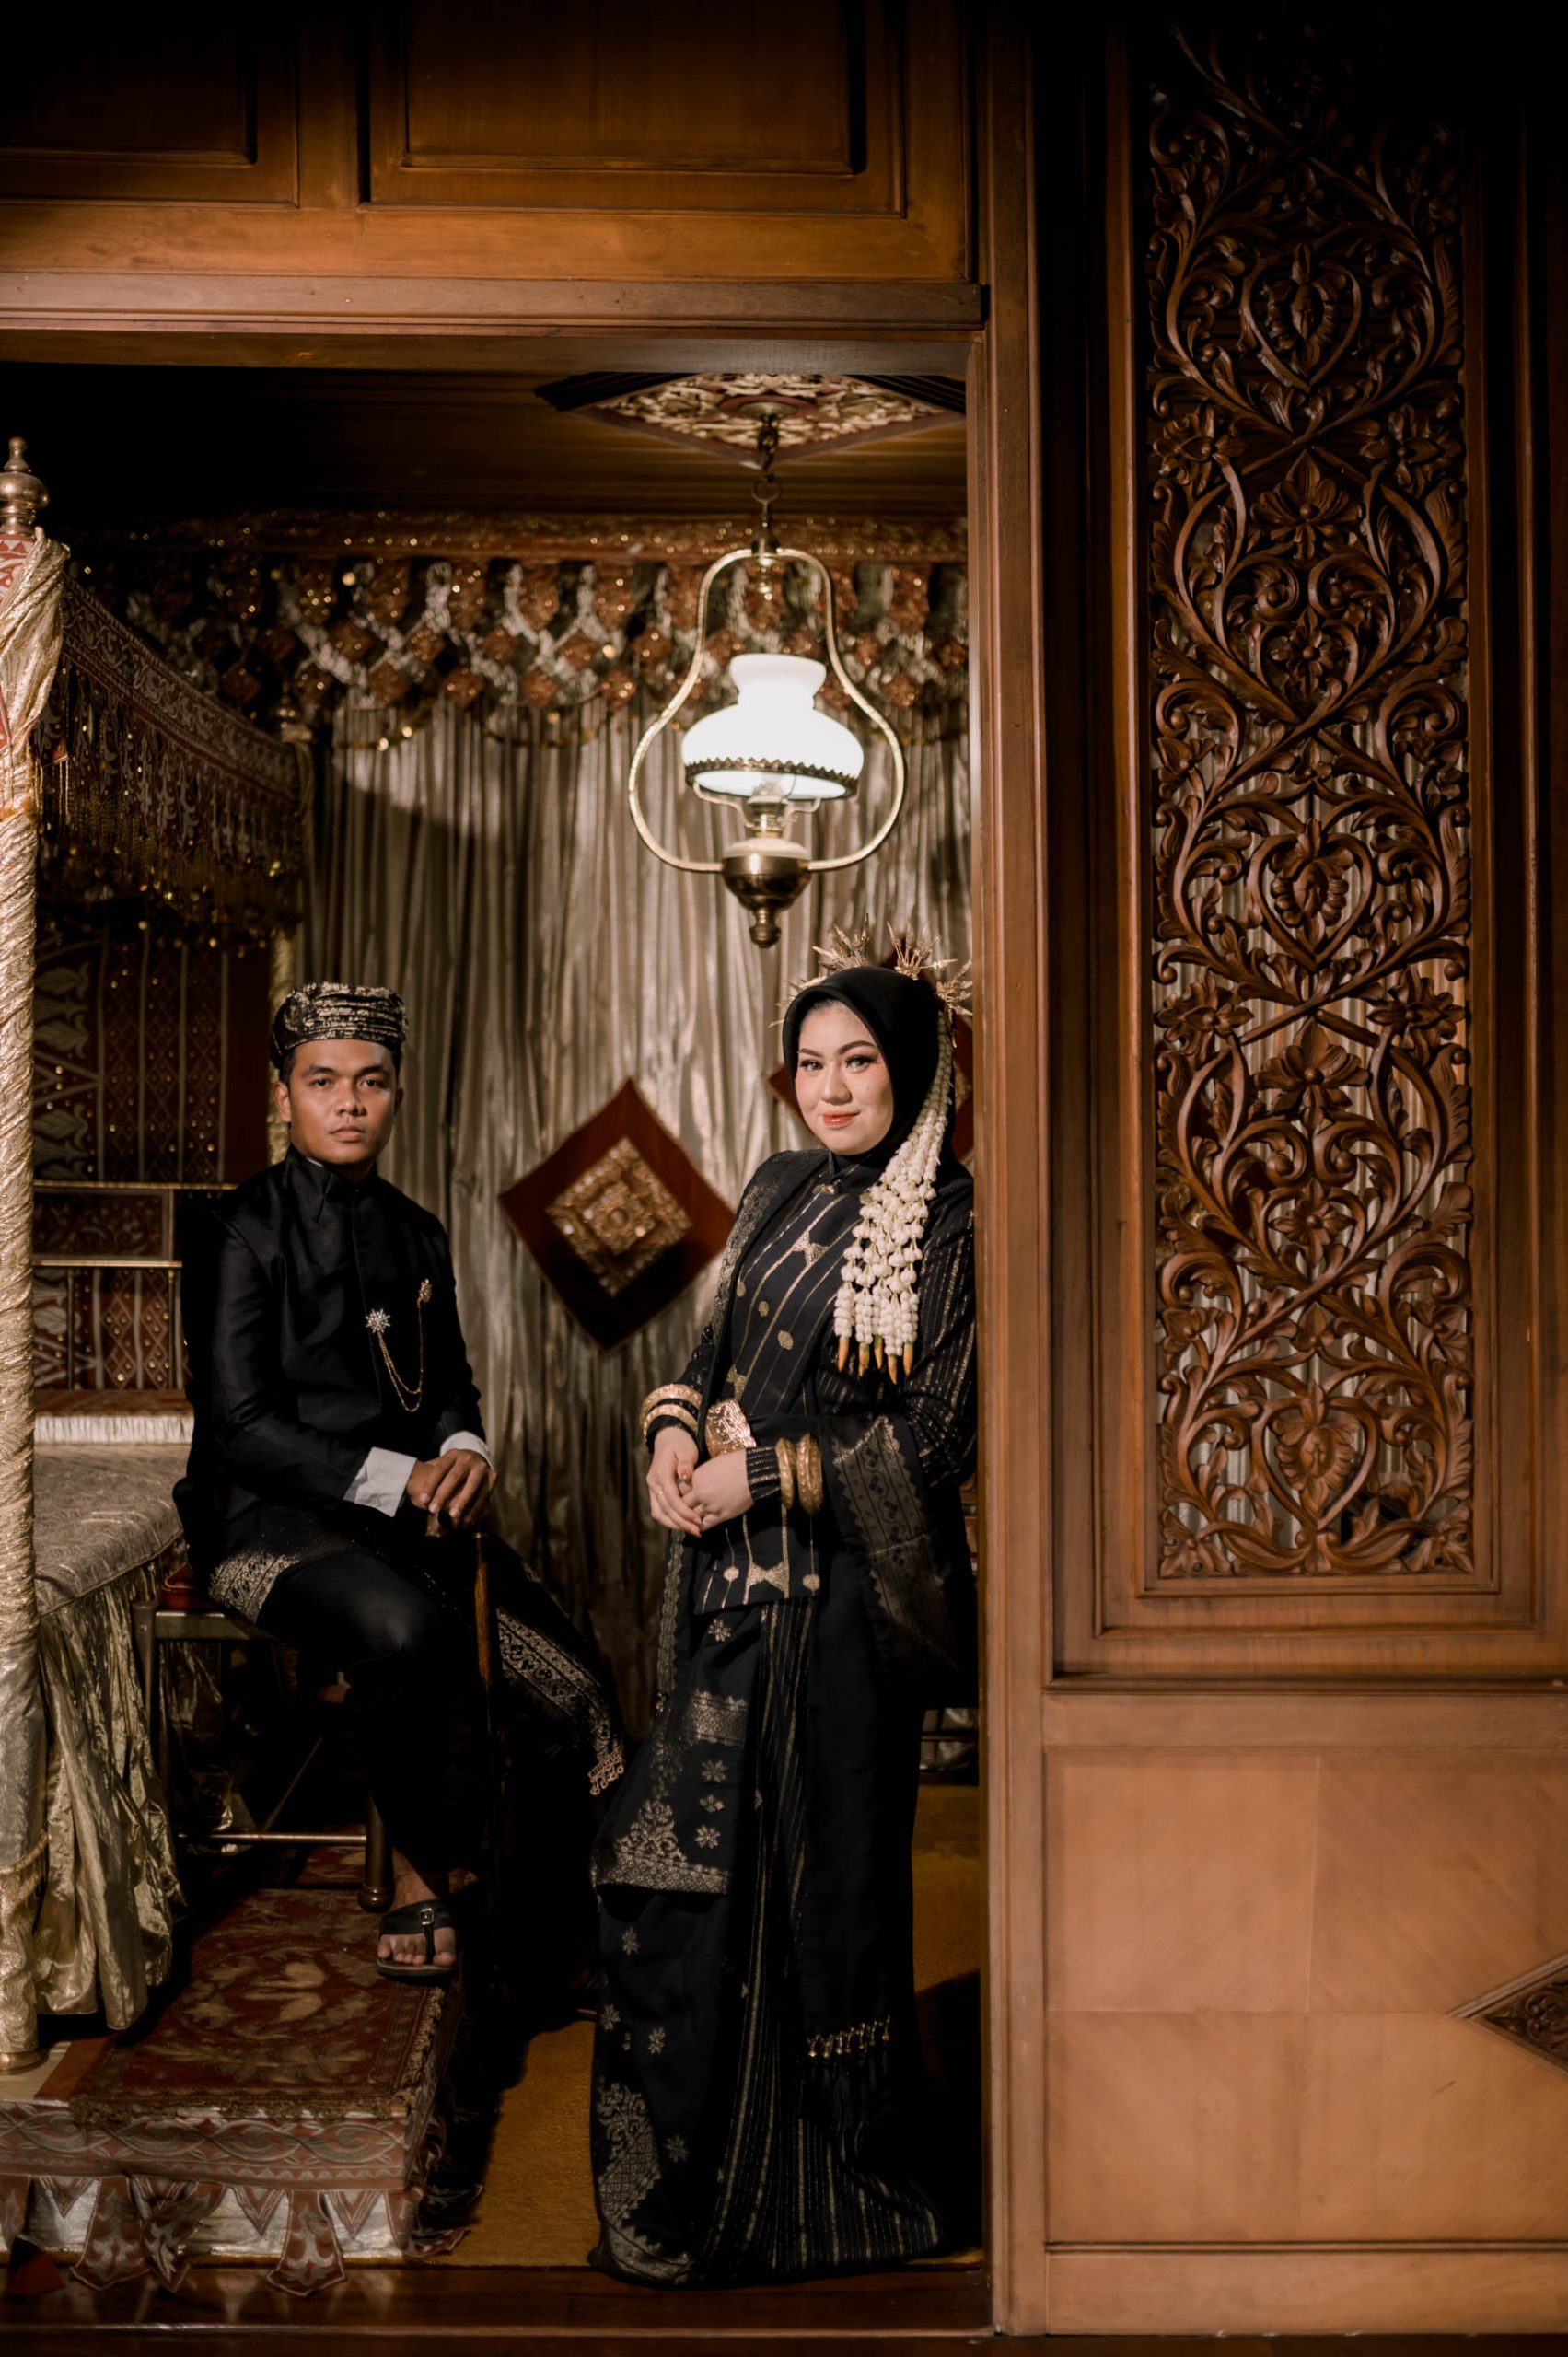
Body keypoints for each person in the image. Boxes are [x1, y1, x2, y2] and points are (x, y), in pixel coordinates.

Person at [588, 927, 977, 2286]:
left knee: (824, 1895)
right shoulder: (773, 1187)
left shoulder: (950, 1222)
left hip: (844, 1614)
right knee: (689, 1870)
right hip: (730, 1588)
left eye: (857, 1061)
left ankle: (834, 2194)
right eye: (810, 1063)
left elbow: (934, 1437)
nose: (830, 1088)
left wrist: (763, 1471)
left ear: (910, 1071)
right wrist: (670, 1433)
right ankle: (699, 2174)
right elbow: (705, 1349)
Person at [177, 981, 623, 1987]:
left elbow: (450, 1383)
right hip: (266, 1526)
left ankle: (564, 1932)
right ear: (283, 1096)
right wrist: (398, 1475)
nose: (348, 1102)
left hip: (411, 1520)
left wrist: (465, 1449)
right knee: (407, 1633)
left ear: (397, 1095)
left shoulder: (418, 1230)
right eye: (322, 1081)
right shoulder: (236, 1228)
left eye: (371, 1082)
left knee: (573, 1684)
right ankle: (427, 1873)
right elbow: (239, 1425)